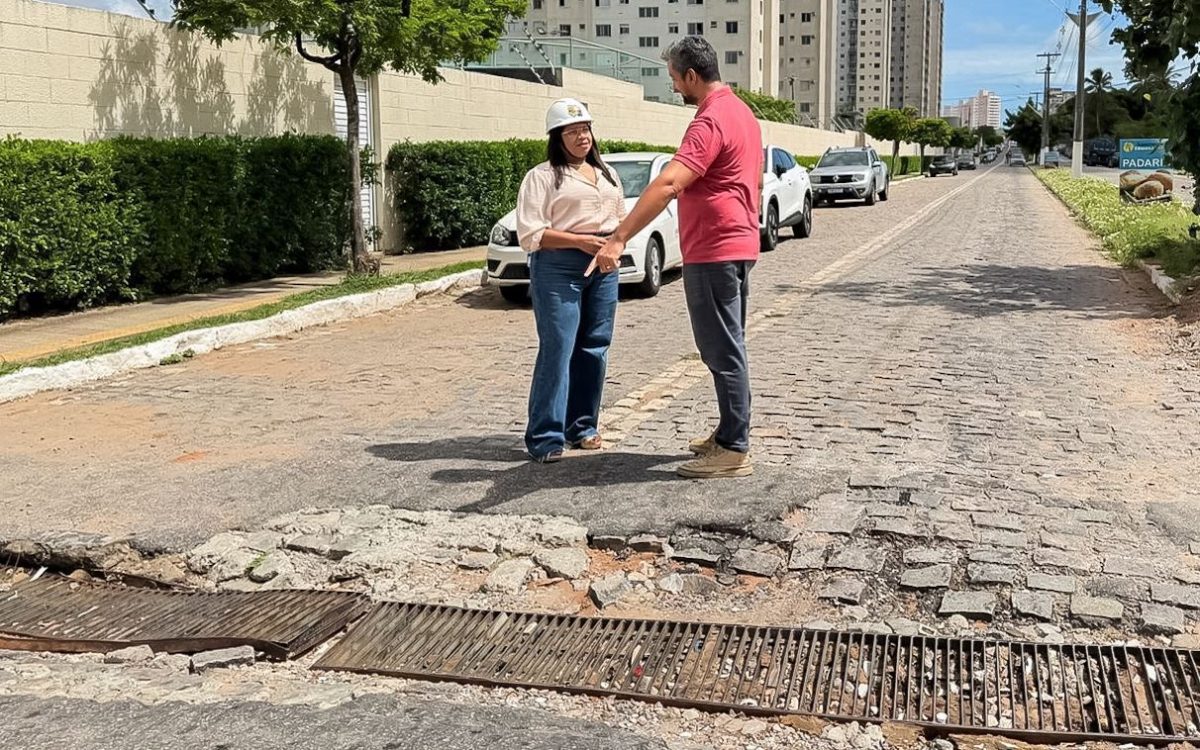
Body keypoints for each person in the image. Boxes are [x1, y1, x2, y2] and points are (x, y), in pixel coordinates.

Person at [588, 36, 761, 479]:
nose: (674, 88)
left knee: (721, 347)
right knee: (727, 342)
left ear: (691, 75)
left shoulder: (710, 120)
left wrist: (619, 236)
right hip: (736, 243)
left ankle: (735, 448)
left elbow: (668, 184)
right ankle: (727, 432)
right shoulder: (741, 112)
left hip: (715, 248)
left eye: (673, 79)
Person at [516, 98, 626, 463]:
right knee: (559, 346)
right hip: (559, 266)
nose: (582, 137)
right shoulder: (543, 176)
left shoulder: (607, 172)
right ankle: (545, 435)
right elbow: (531, 233)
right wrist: (577, 240)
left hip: (604, 264)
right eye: (573, 131)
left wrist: (611, 245)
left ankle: (582, 426)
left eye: (585, 129)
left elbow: (619, 217)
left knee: (595, 345)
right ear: (557, 137)